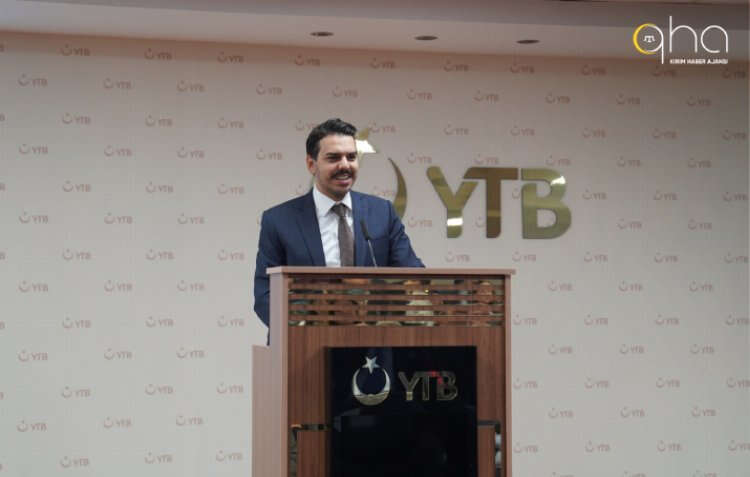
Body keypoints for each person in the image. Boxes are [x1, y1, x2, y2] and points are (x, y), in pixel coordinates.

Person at [253, 118, 424, 339]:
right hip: (304, 346)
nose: (345, 165)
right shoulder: (279, 220)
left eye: (351, 157)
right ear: (311, 164)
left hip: (373, 345)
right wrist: (307, 325)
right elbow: (265, 295)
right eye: (333, 158)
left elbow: (412, 277)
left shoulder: (382, 212)